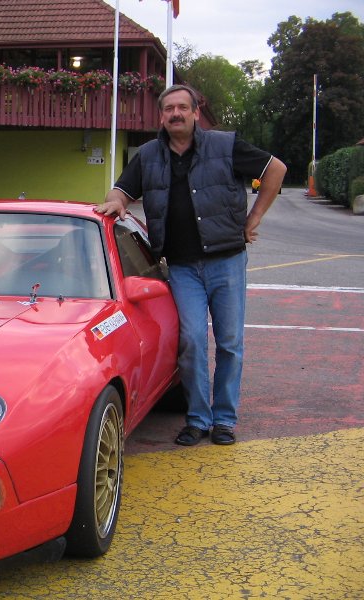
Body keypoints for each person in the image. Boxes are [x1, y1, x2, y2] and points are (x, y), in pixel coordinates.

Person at [95, 84, 286, 447]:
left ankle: (225, 420)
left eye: (183, 107)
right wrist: (115, 202)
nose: (176, 114)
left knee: (230, 343)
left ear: (196, 112)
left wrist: (254, 218)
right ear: (162, 116)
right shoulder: (149, 155)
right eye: (169, 109)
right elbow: (120, 191)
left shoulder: (225, 146)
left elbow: (276, 169)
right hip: (182, 268)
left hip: (226, 262)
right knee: (193, 342)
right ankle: (198, 419)